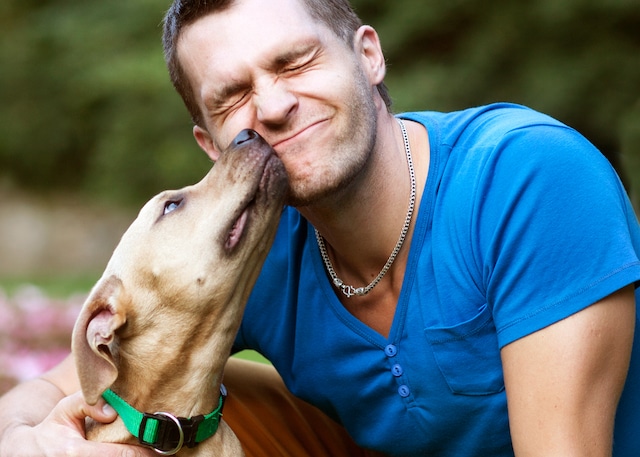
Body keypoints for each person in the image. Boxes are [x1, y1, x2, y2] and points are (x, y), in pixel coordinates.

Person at [1, 0, 639, 455]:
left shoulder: (527, 178)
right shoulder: (247, 249)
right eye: (233, 97)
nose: (274, 105)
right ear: (212, 145)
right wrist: (31, 440)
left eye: (294, 62)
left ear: (368, 55)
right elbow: (69, 385)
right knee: (156, 411)